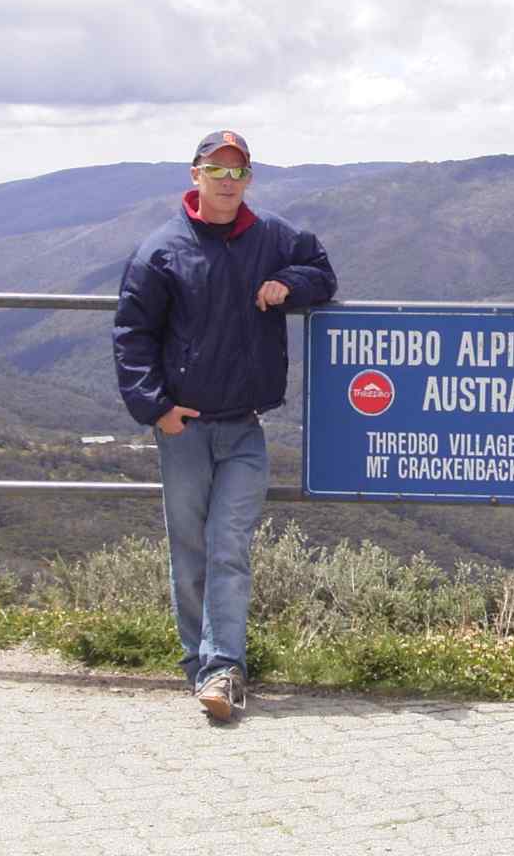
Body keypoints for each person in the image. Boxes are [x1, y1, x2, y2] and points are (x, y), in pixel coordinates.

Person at [113, 129, 337, 721]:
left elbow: (322, 271)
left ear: (249, 180)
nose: (226, 181)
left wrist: (289, 283)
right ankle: (201, 664)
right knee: (189, 552)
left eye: (237, 172)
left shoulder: (272, 237)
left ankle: (222, 670)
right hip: (183, 427)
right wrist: (155, 406)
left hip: (244, 425)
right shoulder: (162, 249)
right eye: (216, 170)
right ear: (194, 175)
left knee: (228, 546)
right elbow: (132, 335)